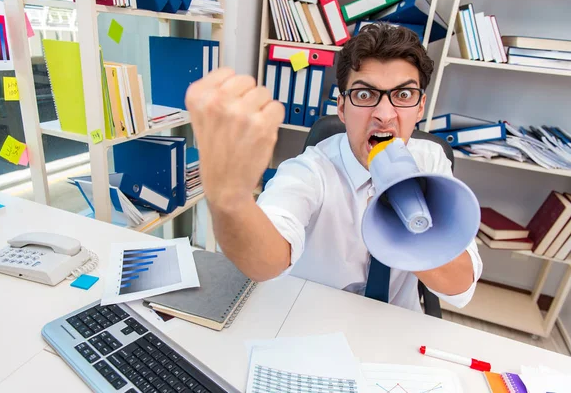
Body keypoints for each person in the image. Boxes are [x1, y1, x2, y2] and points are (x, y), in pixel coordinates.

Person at [185, 23, 482, 312]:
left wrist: (407, 209)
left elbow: (461, 286)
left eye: (403, 95)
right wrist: (230, 200)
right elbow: (264, 263)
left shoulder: (431, 160)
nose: (384, 114)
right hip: (313, 320)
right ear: (341, 108)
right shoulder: (311, 169)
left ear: (420, 107)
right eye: (365, 95)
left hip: (396, 327)